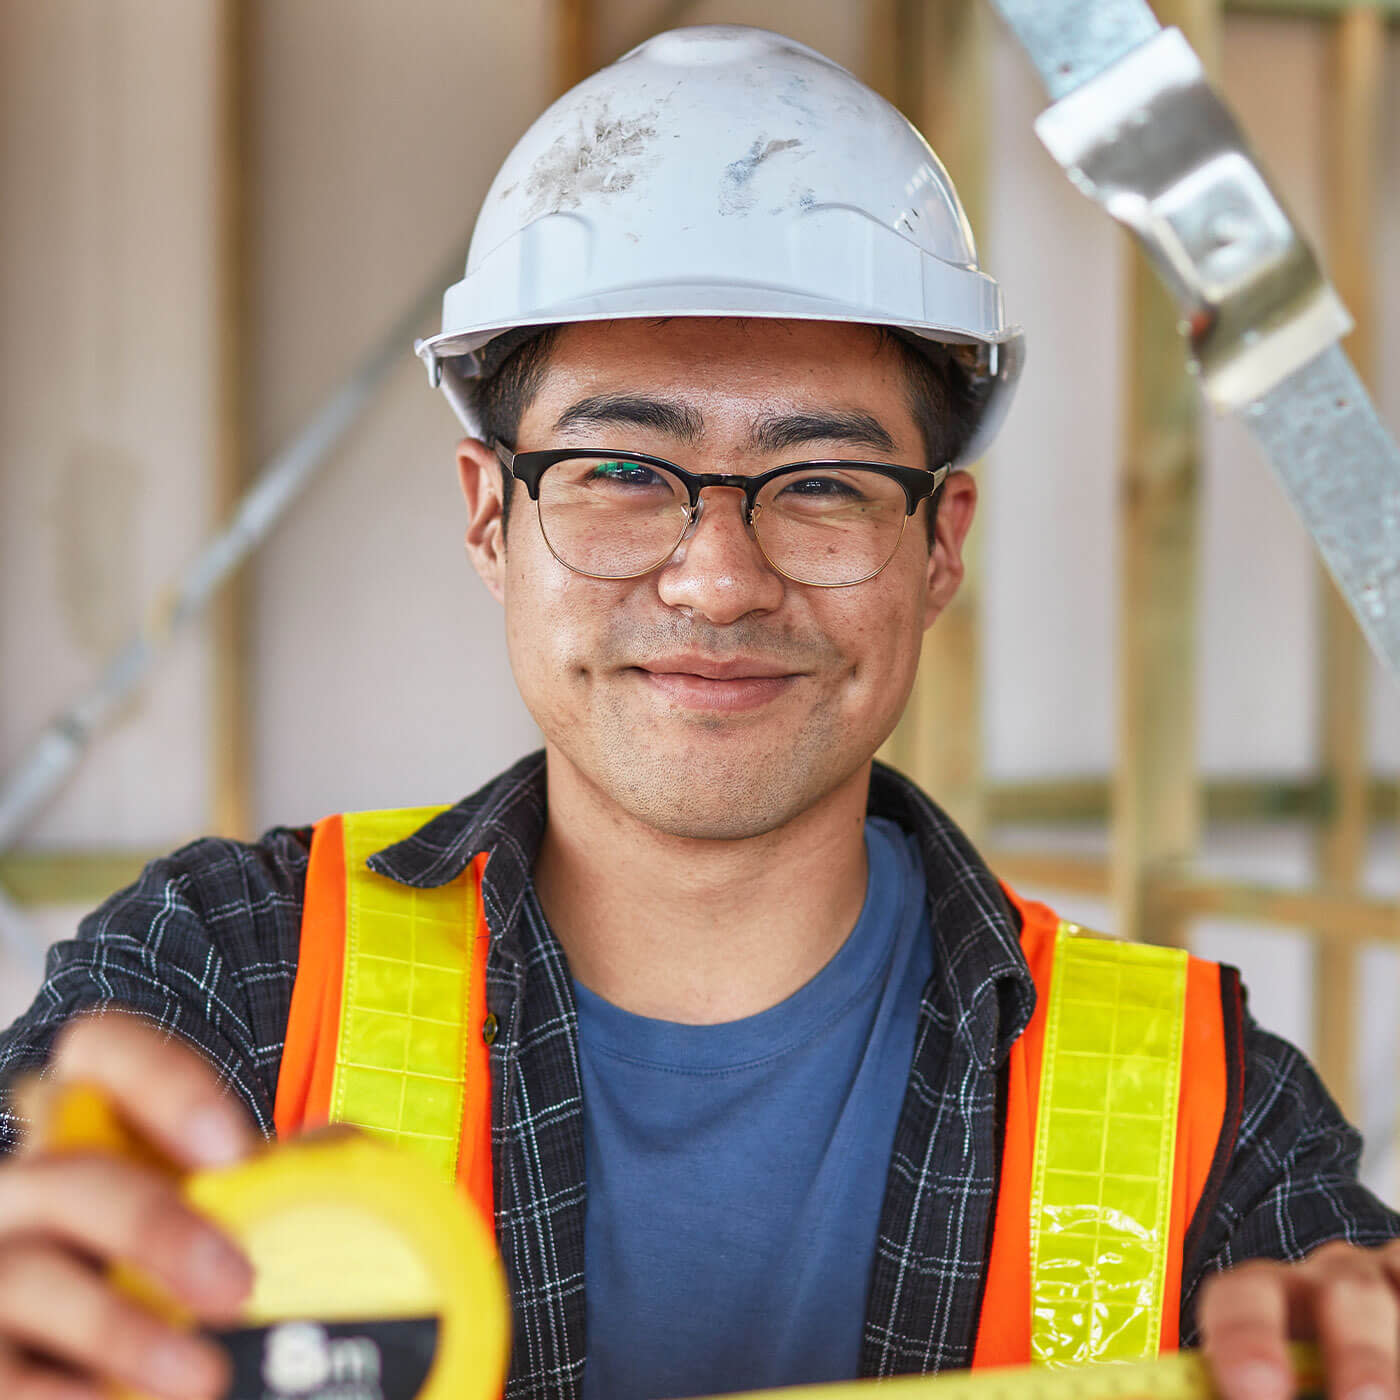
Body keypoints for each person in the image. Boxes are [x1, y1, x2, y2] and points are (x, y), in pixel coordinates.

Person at [0, 23, 1396, 1400]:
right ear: (493, 518)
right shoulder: (232, 980)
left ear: (940, 545)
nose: (720, 581)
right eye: (620, 471)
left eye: (825, 482)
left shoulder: (1202, 1106)